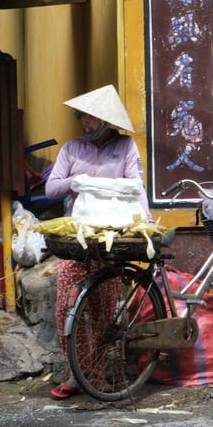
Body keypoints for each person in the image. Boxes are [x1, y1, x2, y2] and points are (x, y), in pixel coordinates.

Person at [44, 84, 150, 400]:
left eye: (90, 118)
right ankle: (79, 372)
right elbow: (51, 189)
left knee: (104, 310)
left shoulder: (126, 147)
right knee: (66, 308)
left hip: (110, 240)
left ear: (105, 121)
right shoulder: (71, 149)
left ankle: (96, 373)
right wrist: (73, 183)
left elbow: (136, 188)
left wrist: (143, 226)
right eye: (83, 118)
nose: (85, 124)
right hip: (78, 241)